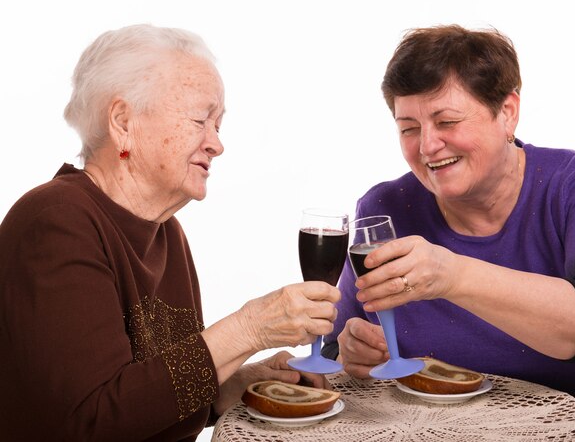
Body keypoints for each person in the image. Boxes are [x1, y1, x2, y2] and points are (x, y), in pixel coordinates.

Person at [0, 24, 340, 441]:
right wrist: (248, 329)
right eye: (200, 119)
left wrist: (231, 385)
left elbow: (142, 399)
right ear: (123, 122)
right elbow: (93, 421)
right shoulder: (55, 223)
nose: (217, 144)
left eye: (218, 124)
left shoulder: (166, 231)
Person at [322, 24, 575, 440]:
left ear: (507, 113)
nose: (427, 146)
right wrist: (350, 351)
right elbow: (337, 345)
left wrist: (453, 275)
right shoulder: (384, 208)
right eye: (409, 127)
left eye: (446, 120)